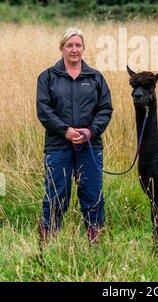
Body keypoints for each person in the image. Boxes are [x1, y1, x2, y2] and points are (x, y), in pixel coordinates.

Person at [36, 27, 113, 244]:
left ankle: (95, 242)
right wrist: (66, 131)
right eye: (69, 45)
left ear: (83, 48)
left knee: (92, 196)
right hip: (57, 147)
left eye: (78, 45)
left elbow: (105, 109)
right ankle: (48, 243)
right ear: (61, 48)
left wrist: (90, 131)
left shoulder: (95, 77)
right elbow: (44, 110)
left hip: (90, 146)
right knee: (56, 196)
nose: (74, 49)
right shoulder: (47, 77)